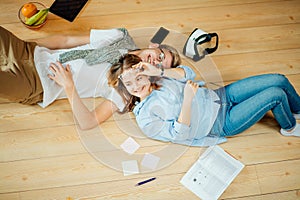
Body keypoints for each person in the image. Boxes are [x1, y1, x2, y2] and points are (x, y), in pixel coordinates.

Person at [0, 26, 181, 130]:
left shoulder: (128, 90)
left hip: (37, 83)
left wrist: (69, 86)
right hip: (29, 52)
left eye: (159, 66)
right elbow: (67, 40)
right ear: (154, 46)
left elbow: (88, 122)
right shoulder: (120, 37)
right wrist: (29, 46)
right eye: (161, 56)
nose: (156, 61)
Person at [107, 54, 300, 147]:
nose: (137, 86)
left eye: (139, 77)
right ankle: (289, 127)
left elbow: (189, 73)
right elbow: (180, 134)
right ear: (124, 88)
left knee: (279, 79)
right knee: (275, 94)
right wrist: (187, 101)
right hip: (221, 122)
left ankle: (297, 109)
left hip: (220, 96)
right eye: (130, 84)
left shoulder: (157, 78)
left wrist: (159, 71)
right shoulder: (146, 119)